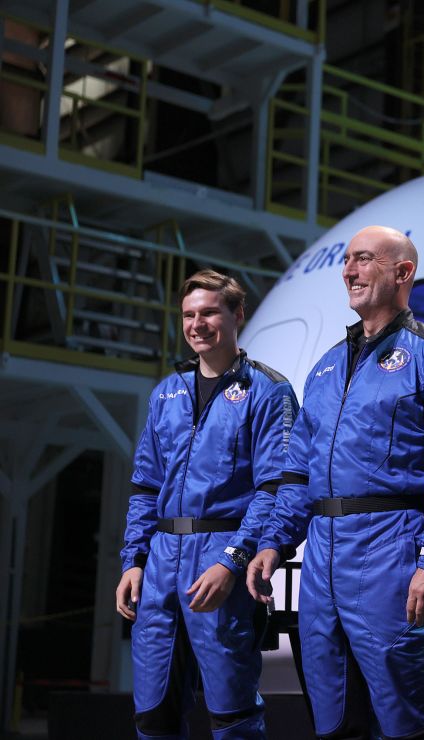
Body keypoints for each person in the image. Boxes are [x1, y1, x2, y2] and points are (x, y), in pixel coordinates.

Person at [246, 226, 424, 739]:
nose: (349, 271)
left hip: (391, 552)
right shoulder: (326, 367)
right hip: (322, 561)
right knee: (333, 719)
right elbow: (298, 472)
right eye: (347, 261)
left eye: (365, 259)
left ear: (403, 272)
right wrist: (274, 542)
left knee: (406, 718)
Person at [116, 270, 299, 739]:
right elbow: (144, 487)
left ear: (237, 315)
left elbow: (274, 488)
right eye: (189, 315)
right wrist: (133, 561)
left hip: (220, 563)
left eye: (209, 312)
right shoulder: (165, 394)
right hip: (159, 568)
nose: (197, 324)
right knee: (152, 716)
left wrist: (232, 562)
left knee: (231, 716)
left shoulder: (269, 392)